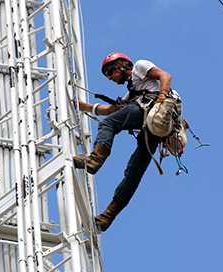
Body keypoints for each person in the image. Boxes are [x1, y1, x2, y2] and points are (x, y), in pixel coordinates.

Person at [73, 52, 173, 232]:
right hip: (153, 125)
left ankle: (96, 159)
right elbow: (110, 109)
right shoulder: (134, 92)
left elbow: (165, 76)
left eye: (110, 72)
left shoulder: (139, 67)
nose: (110, 78)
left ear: (121, 64)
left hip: (150, 109)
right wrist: (83, 106)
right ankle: (107, 218)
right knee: (133, 173)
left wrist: (162, 97)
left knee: (108, 124)